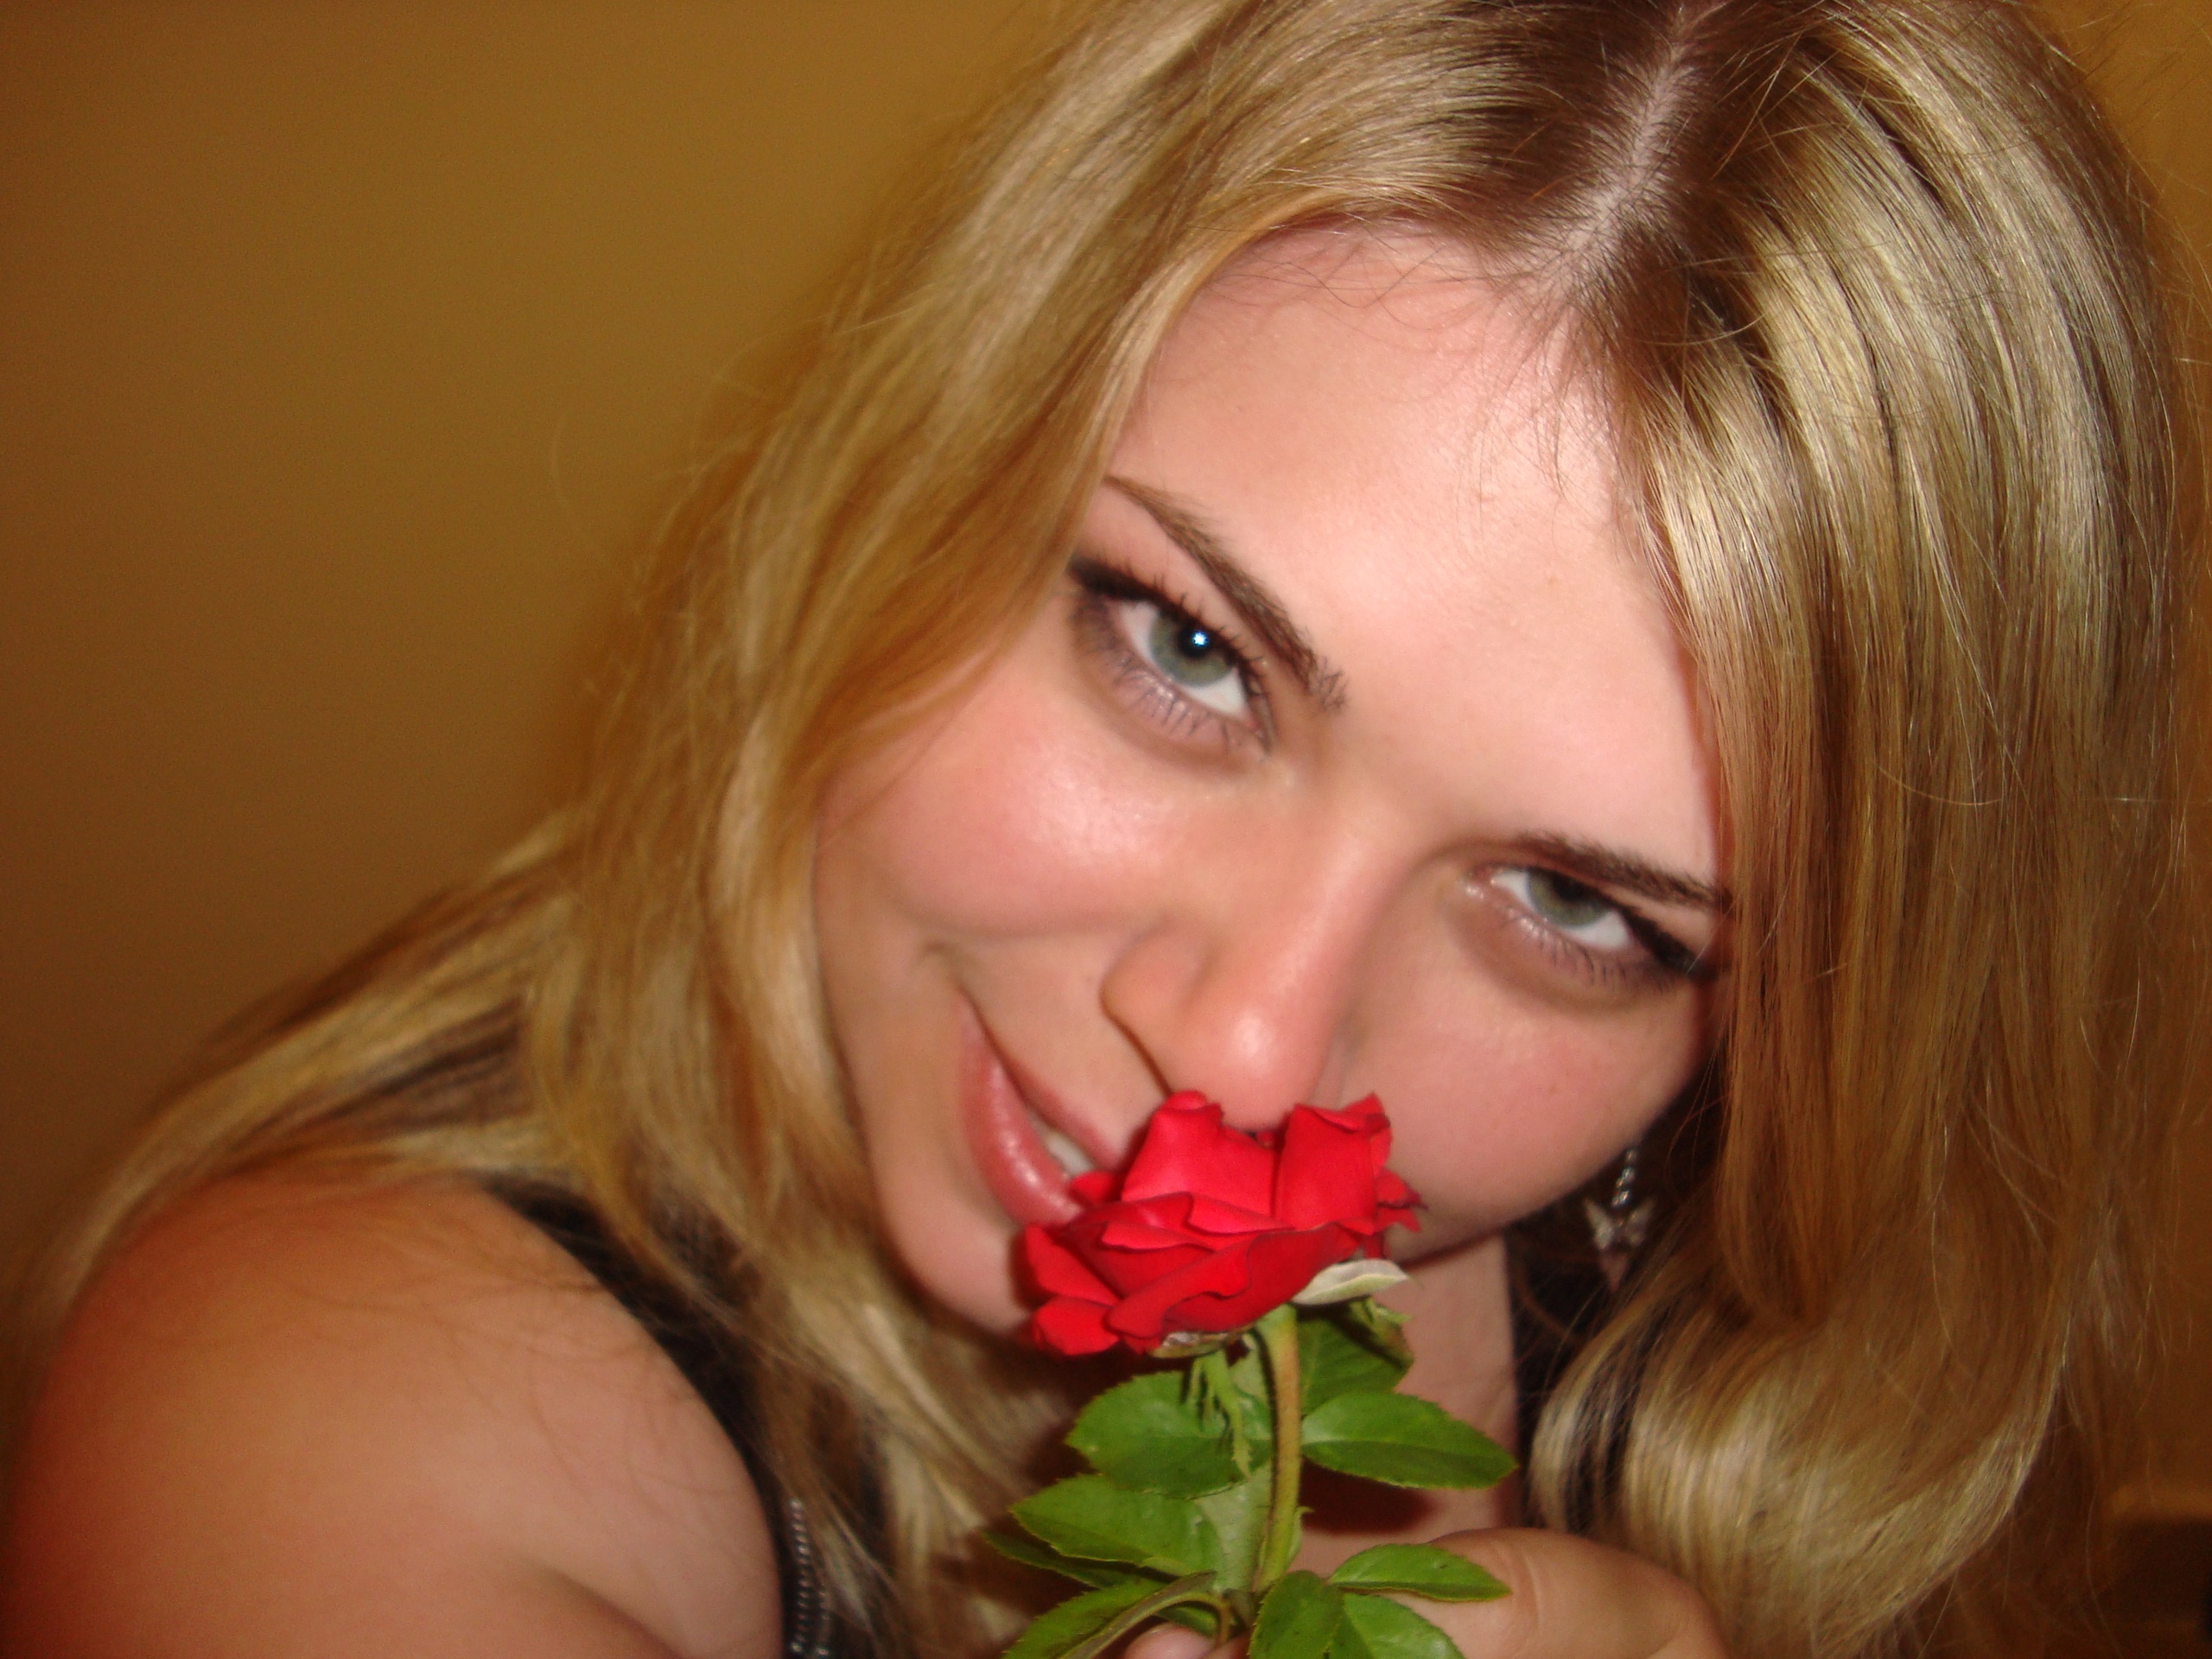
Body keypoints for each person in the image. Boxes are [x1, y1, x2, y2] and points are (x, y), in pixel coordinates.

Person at [2, 0, 2200, 1655]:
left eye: (1570, 903)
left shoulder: (1721, 1354)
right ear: (916, 478)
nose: (1242, 1051)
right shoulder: (319, 1421)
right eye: (1186, 649)